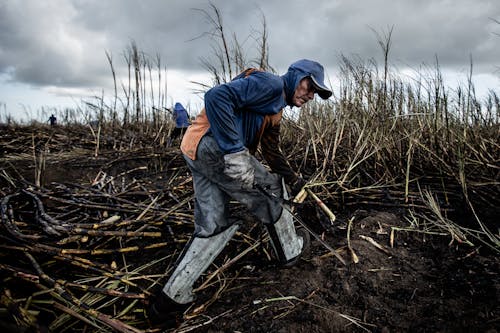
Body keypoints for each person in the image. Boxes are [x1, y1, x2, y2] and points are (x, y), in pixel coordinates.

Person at [148, 59, 332, 325]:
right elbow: (216, 96)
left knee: (213, 224)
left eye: (315, 93)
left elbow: (272, 151)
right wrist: (235, 152)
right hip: (213, 148)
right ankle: (290, 250)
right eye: (309, 86)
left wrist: (295, 179)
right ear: (297, 76)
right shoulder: (271, 85)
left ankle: (170, 300)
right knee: (271, 189)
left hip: (194, 148)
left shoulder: (276, 111)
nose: (310, 95)